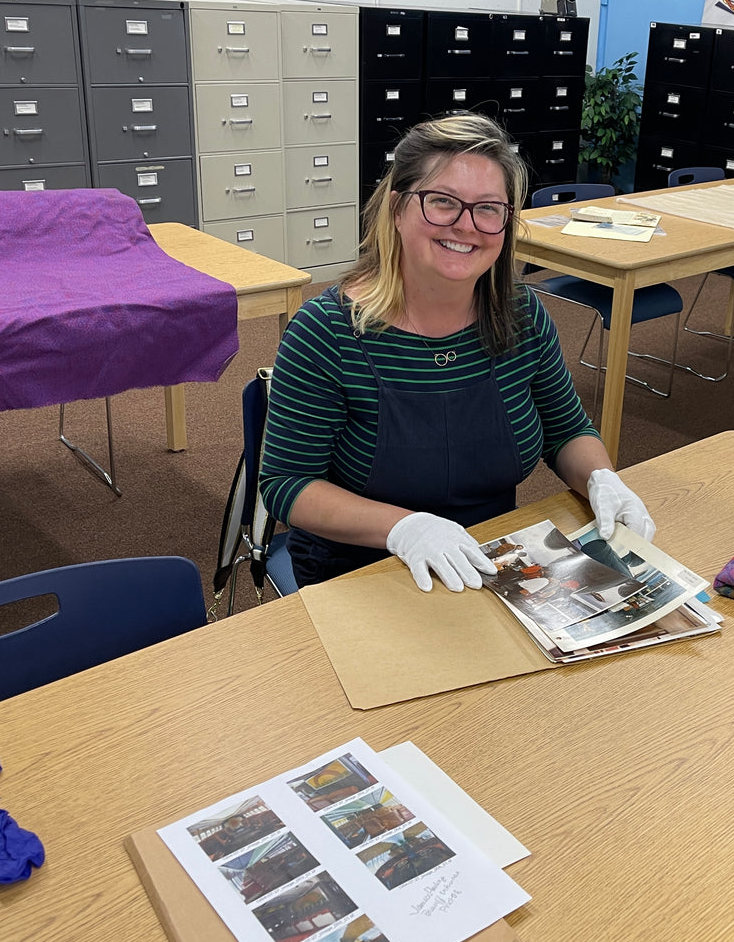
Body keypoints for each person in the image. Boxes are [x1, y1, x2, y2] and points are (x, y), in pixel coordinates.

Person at [259, 113, 655, 592]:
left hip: (490, 559)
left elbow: (566, 431)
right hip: (361, 571)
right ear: (397, 207)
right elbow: (287, 484)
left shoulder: (521, 316)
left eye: (488, 209)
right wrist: (403, 529)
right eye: (442, 202)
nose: (466, 226)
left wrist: (601, 478)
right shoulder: (328, 332)